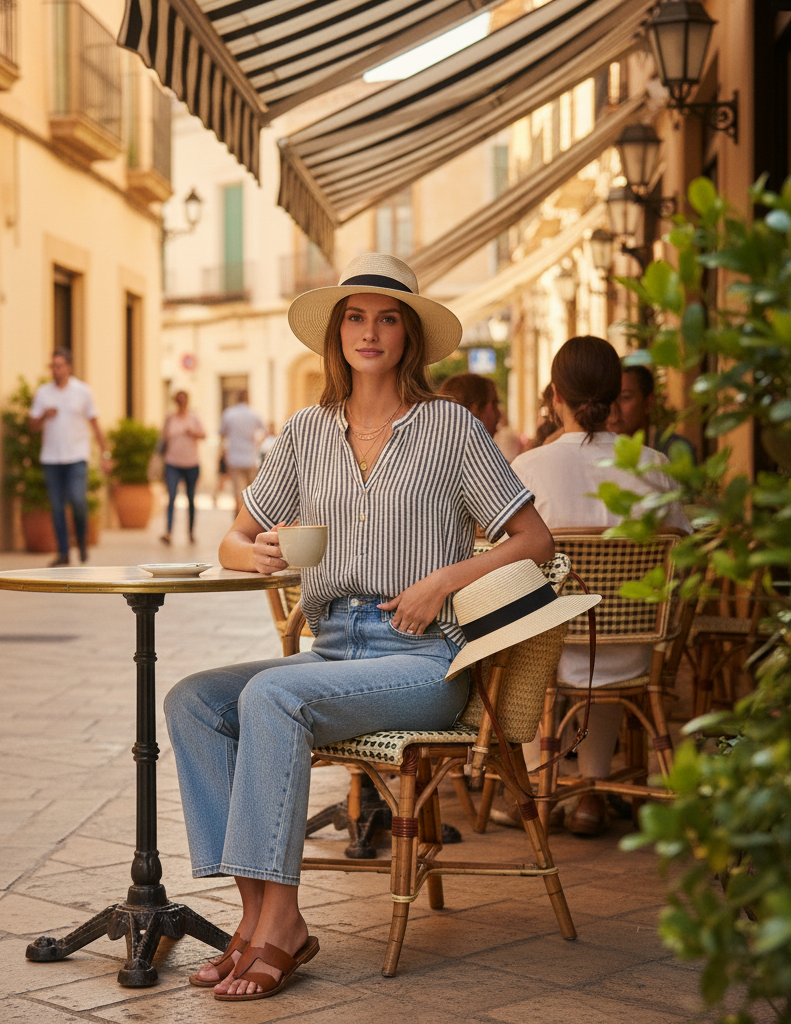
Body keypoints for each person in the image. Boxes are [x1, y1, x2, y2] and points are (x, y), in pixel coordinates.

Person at [165, 253, 554, 1001]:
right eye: (355, 317)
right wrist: (258, 552)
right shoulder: (306, 432)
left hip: (422, 661)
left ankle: (281, 927)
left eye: (386, 318)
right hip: (332, 649)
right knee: (192, 701)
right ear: (336, 332)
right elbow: (231, 540)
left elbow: (534, 540)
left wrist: (443, 581)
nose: (369, 332)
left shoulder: (451, 429)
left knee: (271, 698)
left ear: (408, 336)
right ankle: (257, 919)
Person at [510, 336, 690, 835]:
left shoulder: (528, 469)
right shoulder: (655, 467)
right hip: (638, 649)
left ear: (555, 396)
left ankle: (534, 786)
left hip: (552, 651)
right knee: (602, 630)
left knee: (519, 637)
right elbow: (688, 557)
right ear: (615, 397)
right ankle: (592, 792)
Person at [28, 349, 111, 567]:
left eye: (59, 366)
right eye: (53, 366)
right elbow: (32, 426)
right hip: (51, 459)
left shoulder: (83, 391)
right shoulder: (43, 393)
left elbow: (95, 423)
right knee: (57, 507)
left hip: (76, 457)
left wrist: (105, 455)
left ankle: (81, 541)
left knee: (77, 501)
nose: (55, 370)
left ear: (69, 367)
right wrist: (43, 416)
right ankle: (63, 553)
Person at [608, 363, 697, 464]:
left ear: (648, 403)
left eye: (625, 397)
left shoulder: (673, 449)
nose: (613, 408)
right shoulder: (599, 450)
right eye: (608, 399)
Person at [160, 390, 206, 546]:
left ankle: (191, 532)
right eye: (178, 400)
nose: (181, 403)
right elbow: (163, 437)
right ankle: (168, 532)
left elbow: (204, 434)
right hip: (172, 463)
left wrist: (193, 432)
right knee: (171, 496)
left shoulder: (193, 418)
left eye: (183, 400)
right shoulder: (170, 418)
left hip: (191, 463)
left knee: (191, 498)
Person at [219, 389, 264, 516]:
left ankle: (238, 518)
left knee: (237, 492)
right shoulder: (254, 415)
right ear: (248, 399)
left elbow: (222, 434)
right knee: (251, 493)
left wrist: (224, 452)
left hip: (234, 458)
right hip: (251, 457)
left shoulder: (229, 414)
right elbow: (264, 432)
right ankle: (248, 517)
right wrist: (257, 443)